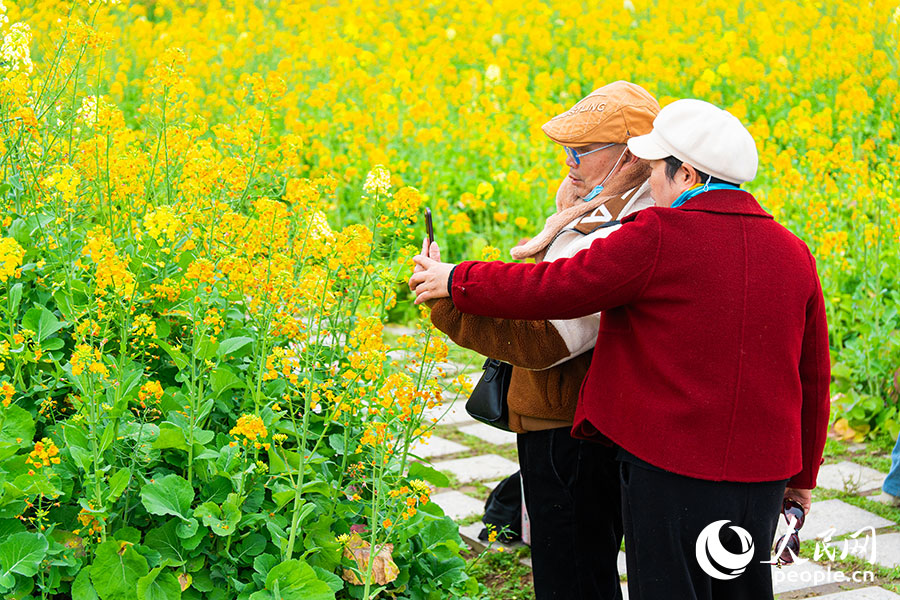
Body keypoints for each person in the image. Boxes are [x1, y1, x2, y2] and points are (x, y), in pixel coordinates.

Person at [409, 99, 831, 600]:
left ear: (688, 174)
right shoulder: (792, 250)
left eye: (654, 169)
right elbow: (813, 376)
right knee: (740, 588)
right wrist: (801, 478)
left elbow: (556, 288)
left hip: (668, 469)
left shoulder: (657, 235)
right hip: (762, 473)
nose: (649, 182)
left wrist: (456, 279)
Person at [420, 81, 659, 599]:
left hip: (569, 425)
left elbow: (547, 338)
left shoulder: (627, 232)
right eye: (566, 149)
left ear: (633, 154)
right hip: (567, 417)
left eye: (582, 151)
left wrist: (446, 298)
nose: (568, 161)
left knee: (571, 569)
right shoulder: (597, 204)